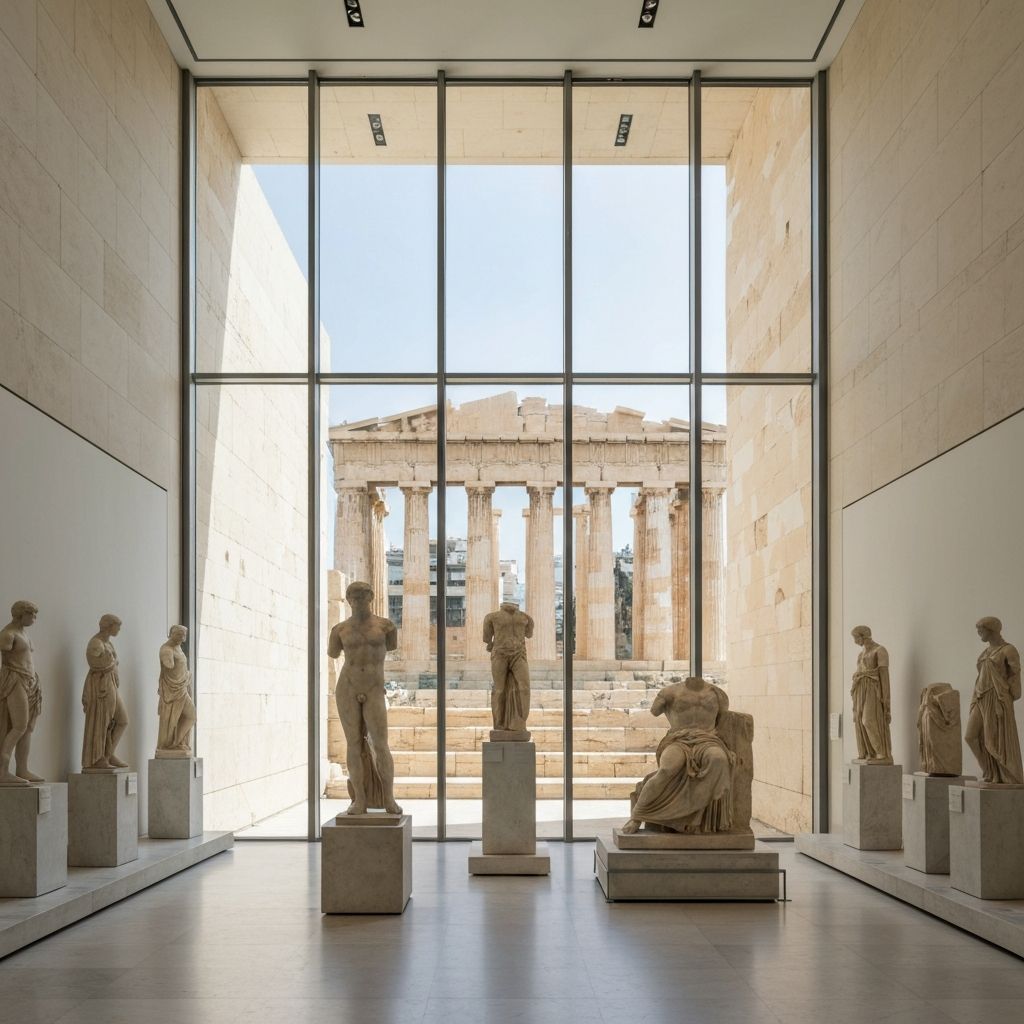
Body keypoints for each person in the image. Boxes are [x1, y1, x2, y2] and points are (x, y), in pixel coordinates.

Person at [621, 676, 735, 835]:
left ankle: (693, 815)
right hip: (678, 739)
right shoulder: (670, 691)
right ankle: (637, 816)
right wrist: (663, 699)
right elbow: (654, 711)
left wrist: (730, 747)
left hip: (707, 739)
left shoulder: (718, 694)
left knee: (719, 759)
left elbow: (725, 722)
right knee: (667, 769)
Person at [327, 581, 402, 815]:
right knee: (354, 744)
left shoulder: (386, 626)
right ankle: (359, 800)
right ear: (348, 600)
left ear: (370, 598)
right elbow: (333, 653)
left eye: (362, 596)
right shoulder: (339, 630)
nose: (357, 600)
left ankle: (389, 798)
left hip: (373, 688)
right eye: (353, 596)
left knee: (381, 745)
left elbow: (391, 647)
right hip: (347, 687)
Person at [965, 616, 1022, 785]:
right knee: (970, 736)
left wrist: (1008, 696)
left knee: (993, 740)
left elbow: (1015, 674)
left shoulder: (1008, 650)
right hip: (981, 696)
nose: (979, 634)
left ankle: (1004, 774)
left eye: (981, 630)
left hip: (997, 698)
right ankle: (989, 771)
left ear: (991, 630)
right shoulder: (985, 653)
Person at [0, 600, 43, 785]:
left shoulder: (23, 633)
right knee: (19, 725)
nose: (34, 619)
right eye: (31, 614)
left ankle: (22, 768)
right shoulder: (7, 634)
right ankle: (2, 772)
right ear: (20, 614)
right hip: (15, 679)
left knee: (28, 728)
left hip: (30, 681)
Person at [81, 614, 129, 771]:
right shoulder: (96, 643)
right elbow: (96, 663)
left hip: (110, 684)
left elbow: (110, 663)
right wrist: (111, 663)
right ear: (108, 625)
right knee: (102, 721)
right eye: (117, 626)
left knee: (122, 720)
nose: (119, 629)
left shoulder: (108, 643)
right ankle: (98, 758)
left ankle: (108, 754)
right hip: (101, 686)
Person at [482, 601, 534, 735]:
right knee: (499, 689)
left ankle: (520, 722)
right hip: (500, 654)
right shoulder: (491, 617)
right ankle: (499, 724)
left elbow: (529, 634)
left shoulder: (526, 618)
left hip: (519, 654)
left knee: (525, 687)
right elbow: (487, 638)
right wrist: (491, 644)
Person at [850, 625, 893, 764]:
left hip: (872, 689)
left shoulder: (880, 650)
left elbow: (884, 677)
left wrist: (886, 700)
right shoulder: (861, 654)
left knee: (867, 720)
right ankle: (868, 753)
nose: (855, 641)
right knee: (859, 721)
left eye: (856, 638)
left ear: (863, 636)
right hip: (860, 689)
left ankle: (881, 752)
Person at [156, 625, 195, 757]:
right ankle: (171, 744)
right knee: (176, 717)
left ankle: (177, 742)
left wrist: (187, 675)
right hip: (172, 690)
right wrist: (168, 659)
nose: (182, 638)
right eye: (179, 635)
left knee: (191, 716)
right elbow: (169, 665)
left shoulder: (177, 647)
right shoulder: (166, 649)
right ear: (171, 634)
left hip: (181, 687)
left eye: (184, 635)